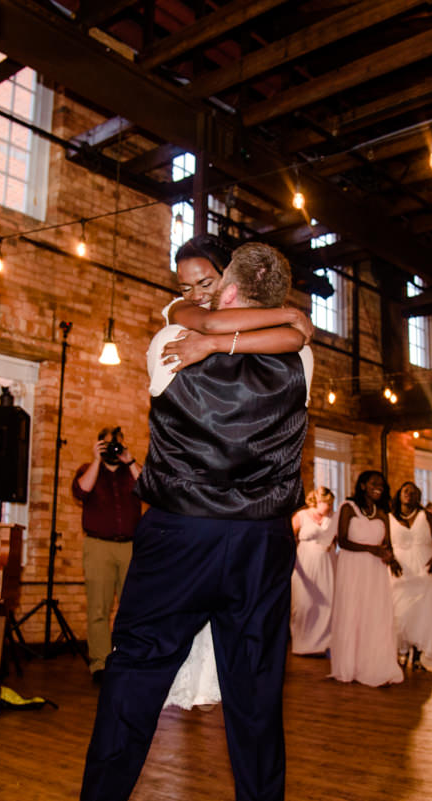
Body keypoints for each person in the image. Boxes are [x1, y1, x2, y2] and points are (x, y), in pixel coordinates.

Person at [80, 243, 312, 801]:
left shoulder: (168, 343)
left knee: (135, 673)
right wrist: (285, 315)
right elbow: (283, 330)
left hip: (180, 537)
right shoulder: (302, 358)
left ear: (227, 289)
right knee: (256, 688)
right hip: (262, 540)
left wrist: (206, 328)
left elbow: (190, 316)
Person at [157, 236, 312, 711]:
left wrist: (217, 346)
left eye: (206, 280)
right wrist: (287, 317)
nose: (195, 291)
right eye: (185, 284)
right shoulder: (179, 311)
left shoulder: (266, 322)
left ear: (229, 277)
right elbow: (206, 320)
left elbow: (294, 337)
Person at [71, 426, 141, 683]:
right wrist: (96, 460)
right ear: (100, 444)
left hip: (131, 548)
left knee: (132, 608)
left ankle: (128, 659)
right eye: (109, 444)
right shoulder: (88, 470)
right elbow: (81, 491)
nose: (114, 448)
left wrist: (130, 459)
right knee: (98, 609)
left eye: (118, 444)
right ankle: (99, 664)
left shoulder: (131, 471)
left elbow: (149, 488)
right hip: (98, 547)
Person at [329, 470, 404, 687]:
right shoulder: (348, 508)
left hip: (375, 571)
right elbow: (342, 541)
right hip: (352, 567)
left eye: (382, 484)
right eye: (374, 483)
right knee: (353, 612)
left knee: (374, 614)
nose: (378, 487)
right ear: (362, 485)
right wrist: (371, 549)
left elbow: (387, 543)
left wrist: (392, 559)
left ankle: (374, 663)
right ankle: (349, 666)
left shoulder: (382, 513)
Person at [389, 481, 432, 671]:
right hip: (399, 569)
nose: (409, 495)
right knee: (400, 611)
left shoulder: (427, 516)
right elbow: (385, 543)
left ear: (418, 497)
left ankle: (419, 654)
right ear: (399, 494)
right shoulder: (389, 517)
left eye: (413, 493)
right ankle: (401, 650)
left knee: (423, 611)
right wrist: (390, 560)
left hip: (424, 568)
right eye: (406, 491)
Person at [290, 487, 337, 656]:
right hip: (305, 563)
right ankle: (302, 644)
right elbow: (289, 536)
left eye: (332, 503)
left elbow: (338, 538)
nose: (330, 506)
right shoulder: (302, 516)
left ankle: (323, 644)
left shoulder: (333, 517)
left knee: (326, 603)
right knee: (304, 603)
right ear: (316, 501)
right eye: (327, 503)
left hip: (327, 563)